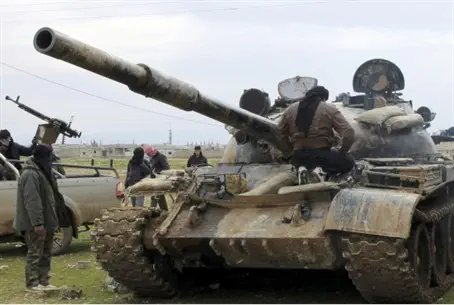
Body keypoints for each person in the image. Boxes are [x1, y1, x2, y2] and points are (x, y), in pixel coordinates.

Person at [13, 144, 71, 291]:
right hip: (35, 223)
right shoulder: (30, 174)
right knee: (35, 252)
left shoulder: (43, 171)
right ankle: (32, 284)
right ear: (42, 157)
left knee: (46, 252)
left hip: (47, 220)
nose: (51, 160)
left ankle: (44, 281)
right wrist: (38, 223)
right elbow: (32, 201)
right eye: (49, 157)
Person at [277, 85, 355, 176]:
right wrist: (343, 151)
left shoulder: (289, 110)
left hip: (298, 156)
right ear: (323, 98)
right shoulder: (329, 108)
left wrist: (289, 151)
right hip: (322, 156)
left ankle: (302, 168)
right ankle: (320, 171)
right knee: (349, 162)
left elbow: (279, 132)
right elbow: (349, 132)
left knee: (303, 160)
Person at [144, 145, 170, 210]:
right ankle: (165, 211)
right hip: (154, 180)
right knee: (160, 196)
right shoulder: (153, 158)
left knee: (154, 196)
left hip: (160, 180)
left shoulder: (161, 157)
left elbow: (167, 169)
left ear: (152, 152)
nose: (148, 155)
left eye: (148, 153)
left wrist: (158, 173)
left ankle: (152, 211)